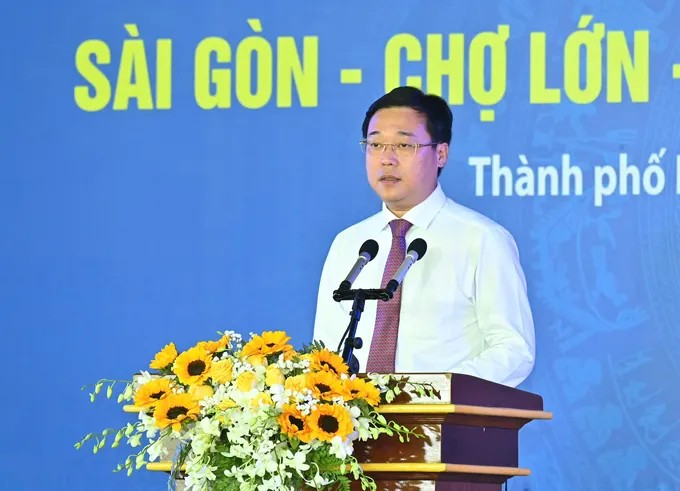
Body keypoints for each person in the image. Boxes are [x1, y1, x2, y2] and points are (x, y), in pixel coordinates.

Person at [312, 86, 535, 387]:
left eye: (404, 145)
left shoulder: (482, 239)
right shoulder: (348, 244)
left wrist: (435, 392)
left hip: (444, 414)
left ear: (440, 154)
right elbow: (325, 351)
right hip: (356, 415)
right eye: (375, 144)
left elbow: (514, 350)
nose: (386, 159)